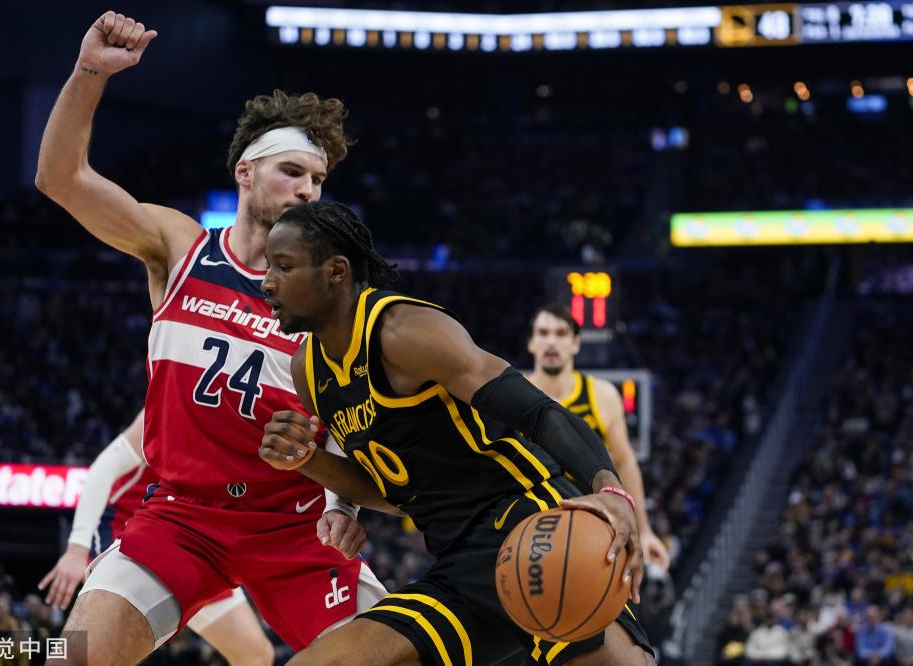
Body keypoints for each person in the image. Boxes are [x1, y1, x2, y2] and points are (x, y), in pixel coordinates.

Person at [35, 12, 385, 664]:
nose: (308, 191)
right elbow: (61, 178)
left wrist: (344, 504)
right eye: (292, 172)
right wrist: (89, 73)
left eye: (317, 181)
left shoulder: (330, 296)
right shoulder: (181, 247)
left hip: (292, 525)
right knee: (71, 657)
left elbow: (349, 419)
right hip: (182, 517)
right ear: (245, 172)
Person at [259, 201, 654, 665]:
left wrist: (610, 489)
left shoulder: (403, 332)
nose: (267, 282)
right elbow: (395, 492)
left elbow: (539, 413)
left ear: (336, 272)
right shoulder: (308, 372)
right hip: (457, 565)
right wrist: (308, 460)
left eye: (283, 266)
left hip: (530, 524)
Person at [37, 410, 275, 665]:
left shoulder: (254, 409)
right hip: (127, 526)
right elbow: (107, 465)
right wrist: (77, 548)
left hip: (191, 532)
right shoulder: (178, 398)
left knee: (256, 655)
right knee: (94, 654)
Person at [526, 304, 672, 572]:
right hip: (532, 532)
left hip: (593, 533)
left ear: (575, 343)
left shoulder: (602, 395)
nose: (551, 342)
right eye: (543, 333)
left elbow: (624, 463)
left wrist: (643, 530)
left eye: (561, 334)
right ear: (531, 343)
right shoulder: (516, 397)